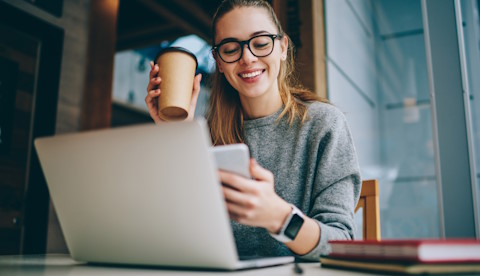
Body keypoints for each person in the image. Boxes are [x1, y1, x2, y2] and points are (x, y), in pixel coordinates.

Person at [145, 0, 361, 261]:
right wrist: (176, 136)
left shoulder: (324, 124)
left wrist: (280, 218)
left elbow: (340, 242)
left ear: (282, 47)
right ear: (219, 62)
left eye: (260, 43)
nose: (247, 58)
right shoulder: (204, 135)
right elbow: (176, 232)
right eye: (230, 49)